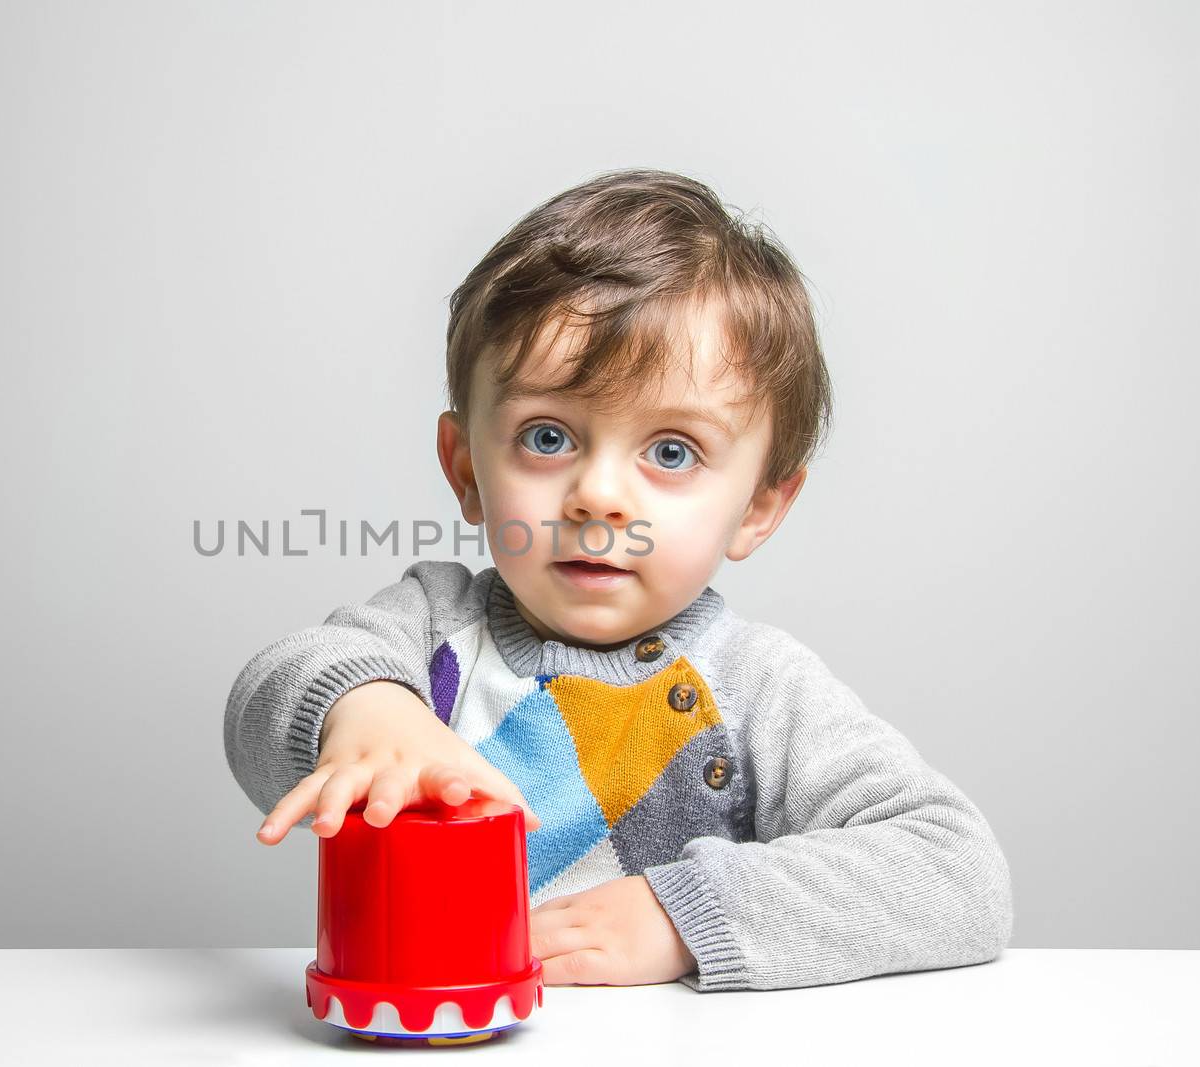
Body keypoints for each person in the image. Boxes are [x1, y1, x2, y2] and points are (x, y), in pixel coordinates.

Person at [222, 168, 1012, 992]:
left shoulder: (753, 689)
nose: (598, 495)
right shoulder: (428, 629)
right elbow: (270, 690)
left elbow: (958, 872)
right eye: (548, 436)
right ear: (466, 470)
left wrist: (685, 914)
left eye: (672, 451)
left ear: (759, 506)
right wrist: (366, 709)